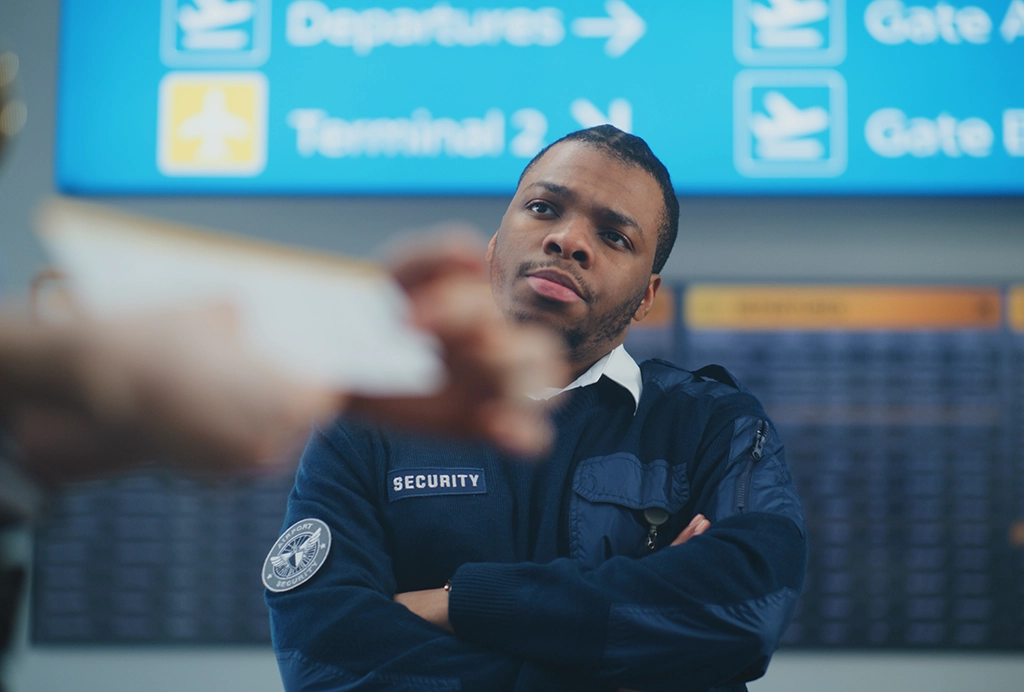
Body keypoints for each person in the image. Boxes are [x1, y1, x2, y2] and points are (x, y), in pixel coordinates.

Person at [265, 125, 807, 692]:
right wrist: (639, 637)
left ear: (647, 296)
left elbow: (746, 607)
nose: (569, 240)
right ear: (494, 246)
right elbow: (323, 655)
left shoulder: (713, 426)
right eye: (544, 208)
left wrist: (463, 603)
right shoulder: (376, 419)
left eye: (614, 237)